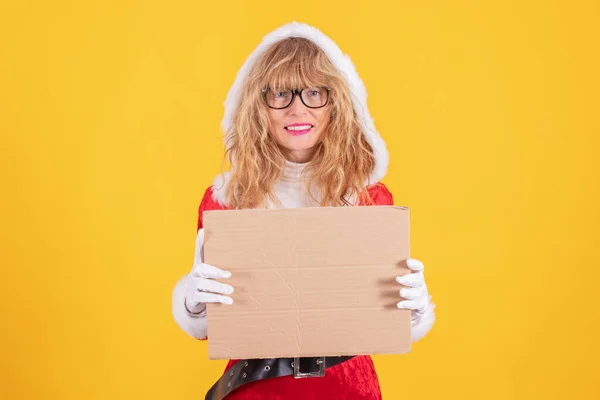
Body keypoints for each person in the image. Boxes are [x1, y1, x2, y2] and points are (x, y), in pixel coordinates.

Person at [172, 21, 436, 400]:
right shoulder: (227, 200)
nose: (297, 109)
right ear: (257, 106)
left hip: (347, 391)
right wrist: (193, 302)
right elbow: (216, 326)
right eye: (279, 93)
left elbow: (381, 325)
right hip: (255, 391)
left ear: (337, 104)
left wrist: (412, 308)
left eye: (315, 92)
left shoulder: (368, 199)